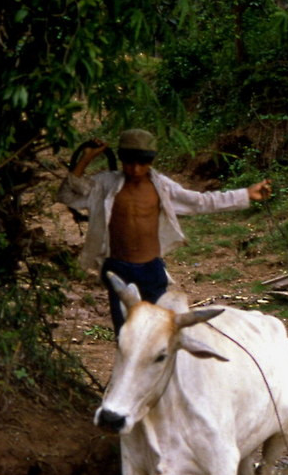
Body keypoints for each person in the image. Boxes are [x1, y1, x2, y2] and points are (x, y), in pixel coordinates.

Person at [58, 129, 272, 333]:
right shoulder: (104, 185)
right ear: (121, 159)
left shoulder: (161, 187)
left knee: (159, 330)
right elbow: (68, 193)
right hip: (117, 269)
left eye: (142, 163)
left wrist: (245, 195)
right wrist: (87, 157)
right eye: (129, 162)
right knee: (125, 332)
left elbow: (200, 202)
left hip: (151, 269)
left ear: (151, 161)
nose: (135, 169)